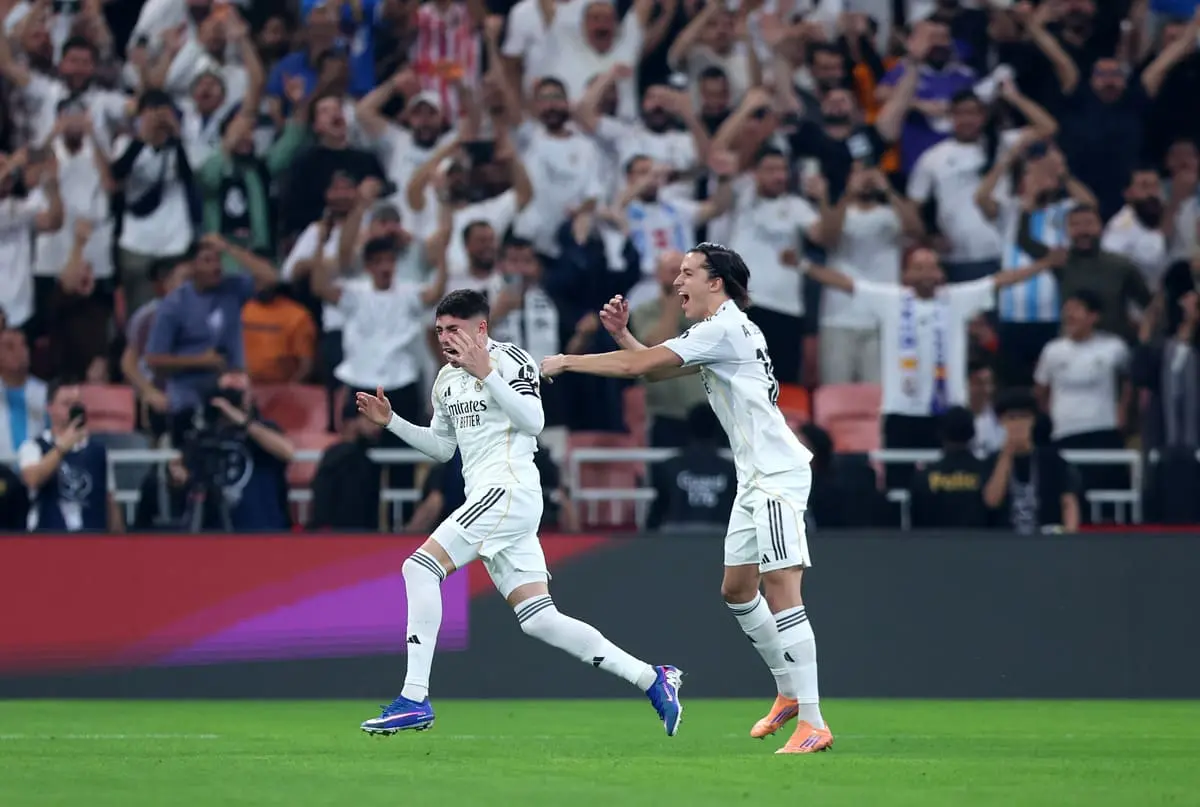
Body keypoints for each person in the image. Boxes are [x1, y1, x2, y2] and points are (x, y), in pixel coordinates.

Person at [541, 243, 832, 755]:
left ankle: (813, 720)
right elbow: (654, 367)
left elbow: (637, 371)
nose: (678, 282)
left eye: (688, 273)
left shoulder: (723, 327)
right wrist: (625, 337)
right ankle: (788, 690)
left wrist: (568, 360)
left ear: (715, 281)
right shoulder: (723, 329)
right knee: (738, 590)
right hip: (753, 476)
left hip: (777, 475)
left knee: (783, 587)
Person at [354, 289, 682, 737]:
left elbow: (534, 421)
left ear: (480, 328)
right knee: (539, 619)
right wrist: (391, 421)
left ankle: (414, 697)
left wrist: (488, 374)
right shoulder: (445, 380)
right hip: (494, 501)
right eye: (439, 331)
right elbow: (442, 448)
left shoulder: (511, 360)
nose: (445, 338)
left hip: (507, 491)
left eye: (454, 329)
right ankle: (652, 678)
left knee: (419, 568)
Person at [18, 381, 122, 532]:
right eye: (66, 404)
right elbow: (32, 479)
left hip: (93, 542)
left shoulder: (99, 452)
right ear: (50, 408)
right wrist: (62, 448)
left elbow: (110, 501)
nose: (73, 409)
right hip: (47, 541)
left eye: (77, 404)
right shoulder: (33, 447)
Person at [908, 406, 992, 529]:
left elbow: (915, 525)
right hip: (980, 547)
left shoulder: (922, 478)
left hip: (933, 547)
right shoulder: (988, 474)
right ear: (973, 433)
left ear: (940, 433)